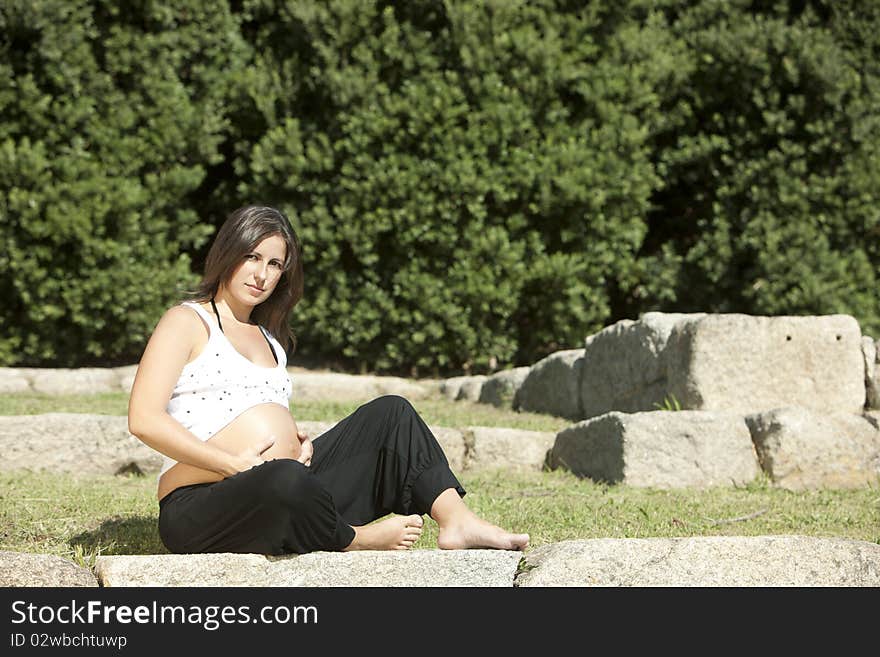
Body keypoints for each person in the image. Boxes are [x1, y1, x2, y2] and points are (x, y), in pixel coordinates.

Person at [128, 205, 529, 555]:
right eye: (252, 257)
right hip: (203, 502)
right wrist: (232, 465)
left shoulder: (271, 341)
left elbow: (260, 419)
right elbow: (144, 419)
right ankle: (354, 538)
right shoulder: (186, 321)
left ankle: (456, 520)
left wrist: (297, 444)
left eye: (274, 264)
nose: (261, 275)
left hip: (282, 486)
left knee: (392, 413)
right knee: (281, 479)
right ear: (227, 253)